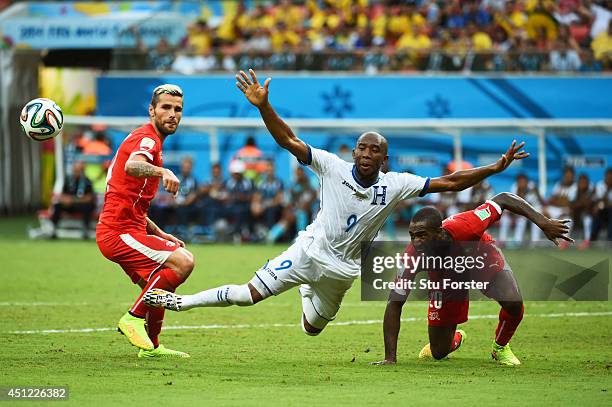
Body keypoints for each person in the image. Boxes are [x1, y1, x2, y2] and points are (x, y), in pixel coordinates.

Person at [143, 69, 528, 338]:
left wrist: (496, 166)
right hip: (310, 251)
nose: (365, 153)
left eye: (374, 150)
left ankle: (305, 290)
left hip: (343, 271)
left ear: (384, 159)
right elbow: (289, 141)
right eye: (361, 146)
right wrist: (263, 106)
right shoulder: (330, 166)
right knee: (248, 296)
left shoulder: (396, 185)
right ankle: (179, 302)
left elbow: (451, 181)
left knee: (312, 328)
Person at [373, 193, 572, 366]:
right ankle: (456, 337)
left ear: (440, 232)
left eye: (422, 235)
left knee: (513, 302)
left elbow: (503, 199)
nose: (416, 242)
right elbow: (395, 302)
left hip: (480, 259)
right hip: (444, 278)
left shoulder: (469, 225)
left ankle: (500, 347)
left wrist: (543, 222)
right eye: (412, 236)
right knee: (439, 352)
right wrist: (390, 357)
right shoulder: (411, 257)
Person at [95, 84, 194, 358]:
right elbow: (132, 165)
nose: (173, 114)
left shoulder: (152, 141)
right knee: (184, 261)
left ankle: (152, 347)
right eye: (166, 107)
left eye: (178, 109)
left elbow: (135, 205)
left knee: (158, 284)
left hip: (127, 228)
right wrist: (164, 171)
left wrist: (163, 234)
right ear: (151, 111)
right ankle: (132, 318)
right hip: (118, 233)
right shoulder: (147, 139)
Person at [51, 160, 96, 240]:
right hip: (70, 205)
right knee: (57, 205)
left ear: (82, 171)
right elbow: (62, 195)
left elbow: (89, 198)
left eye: (78, 171)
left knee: (88, 206)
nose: (76, 173)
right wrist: (65, 200)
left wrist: (73, 200)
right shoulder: (68, 180)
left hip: (80, 204)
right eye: (75, 170)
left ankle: (85, 230)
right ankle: (53, 229)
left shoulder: (87, 181)